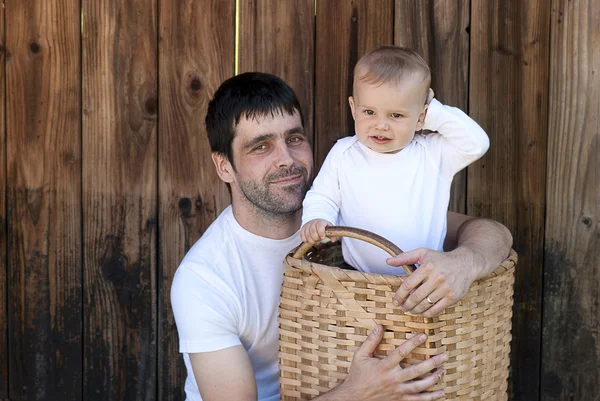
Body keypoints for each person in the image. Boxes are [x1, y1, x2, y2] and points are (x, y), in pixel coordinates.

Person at [170, 72, 512, 401]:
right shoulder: (205, 279)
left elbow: (492, 233)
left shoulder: (349, 212)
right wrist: (358, 394)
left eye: (294, 139)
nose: (286, 160)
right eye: (261, 147)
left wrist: (466, 263)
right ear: (224, 166)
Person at [301, 46, 490, 316]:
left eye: (396, 115)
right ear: (353, 108)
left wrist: (432, 111)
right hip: (356, 278)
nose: (381, 125)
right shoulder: (344, 154)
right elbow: (323, 196)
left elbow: (477, 143)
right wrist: (317, 217)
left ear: (421, 117)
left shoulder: (433, 154)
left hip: (423, 280)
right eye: (369, 112)